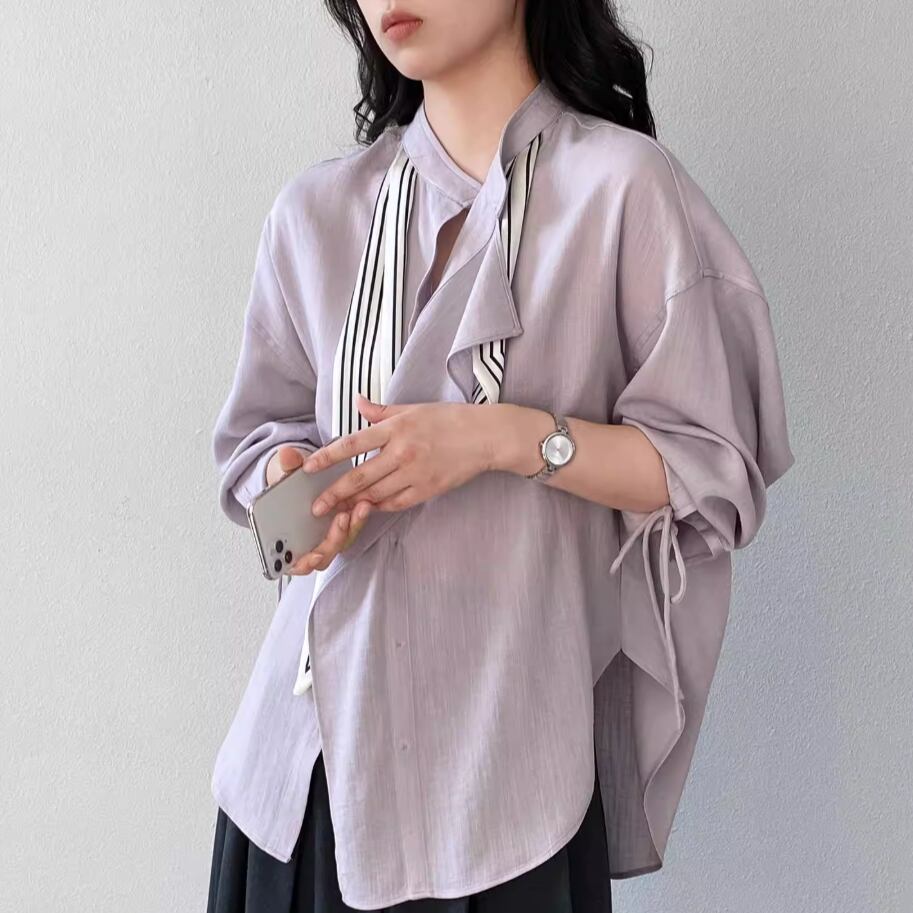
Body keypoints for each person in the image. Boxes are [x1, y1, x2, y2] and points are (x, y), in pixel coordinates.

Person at [206, 1, 796, 911]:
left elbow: (708, 471)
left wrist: (502, 439)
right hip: (304, 786)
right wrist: (292, 489)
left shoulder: (621, 192)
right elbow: (259, 440)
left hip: (508, 788)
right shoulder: (316, 212)